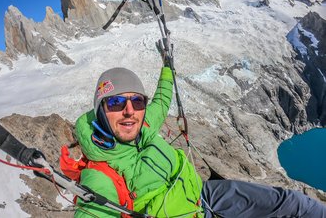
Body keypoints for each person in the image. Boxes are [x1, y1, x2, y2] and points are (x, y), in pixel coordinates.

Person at [61, 65, 326, 217]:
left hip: (202, 194)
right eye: (117, 102)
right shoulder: (99, 176)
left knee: (293, 203)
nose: (129, 110)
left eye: (137, 101)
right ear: (100, 110)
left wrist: (167, 67)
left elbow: (162, 102)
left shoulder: (143, 125)